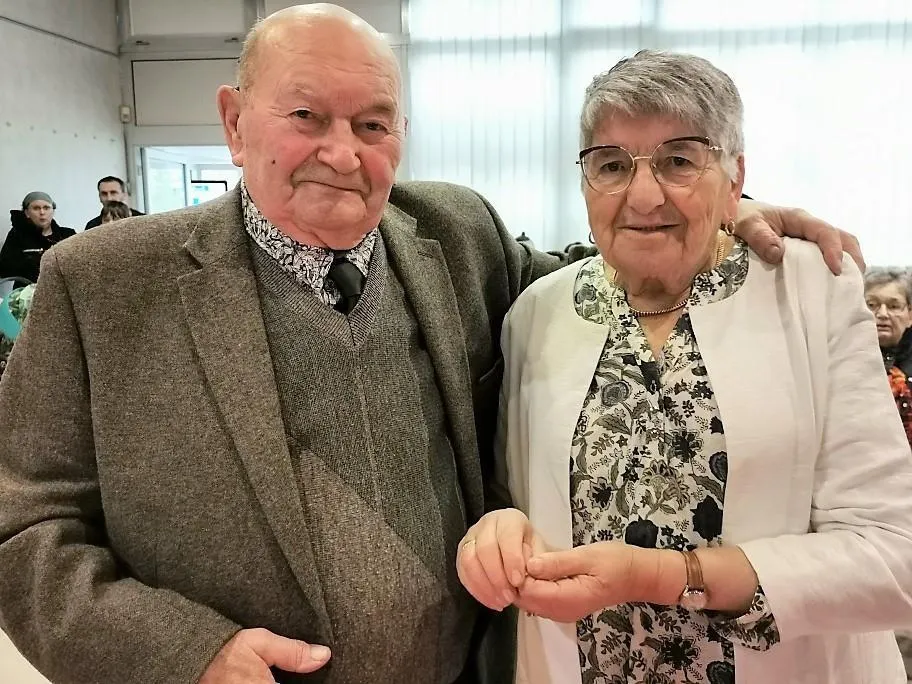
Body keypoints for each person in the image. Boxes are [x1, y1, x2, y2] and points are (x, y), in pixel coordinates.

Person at [0, 7, 864, 684]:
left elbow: (608, 266)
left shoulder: (456, 234)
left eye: (373, 124)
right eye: (306, 115)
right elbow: (23, 527)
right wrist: (179, 654)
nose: (343, 153)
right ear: (234, 123)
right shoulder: (105, 283)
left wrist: (728, 214)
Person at [457, 50, 912, 683]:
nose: (643, 195)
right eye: (612, 164)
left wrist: (664, 576)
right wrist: (500, 529)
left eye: (679, 160)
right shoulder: (538, 312)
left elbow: (894, 554)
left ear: (735, 175)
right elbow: (516, 496)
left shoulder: (811, 288)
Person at [0, 191, 75, 282]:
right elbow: (4, 269)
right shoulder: (17, 235)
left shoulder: (67, 234)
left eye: (46, 208)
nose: (42, 212)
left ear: (53, 211)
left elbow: (79, 265)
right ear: (27, 213)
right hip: (27, 288)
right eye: (36, 208)